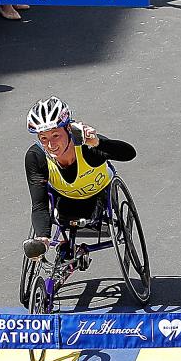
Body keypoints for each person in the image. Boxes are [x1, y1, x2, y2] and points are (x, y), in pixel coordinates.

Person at [24, 97, 135, 248]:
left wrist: (98, 143)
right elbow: (39, 204)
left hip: (98, 198)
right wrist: (42, 237)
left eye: (56, 135)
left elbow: (129, 154)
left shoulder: (87, 147)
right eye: (44, 138)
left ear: (69, 129)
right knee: (59, 217)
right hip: (65, 202)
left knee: (89, 211)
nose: (51, 145)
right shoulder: (36, 157)